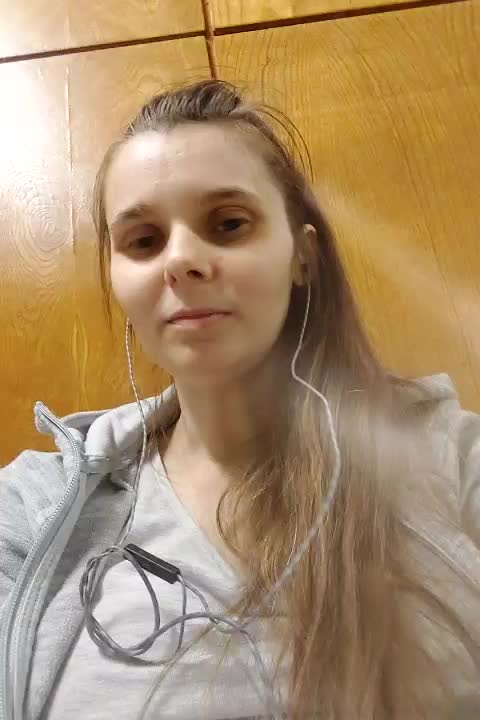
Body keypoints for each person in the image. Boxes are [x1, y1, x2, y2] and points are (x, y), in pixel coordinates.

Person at [0, 80, 478, 720]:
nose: (181, 260)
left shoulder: (452, 458)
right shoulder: (35, 506)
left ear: (303, 255)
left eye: (228, 224)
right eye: (143, 240)